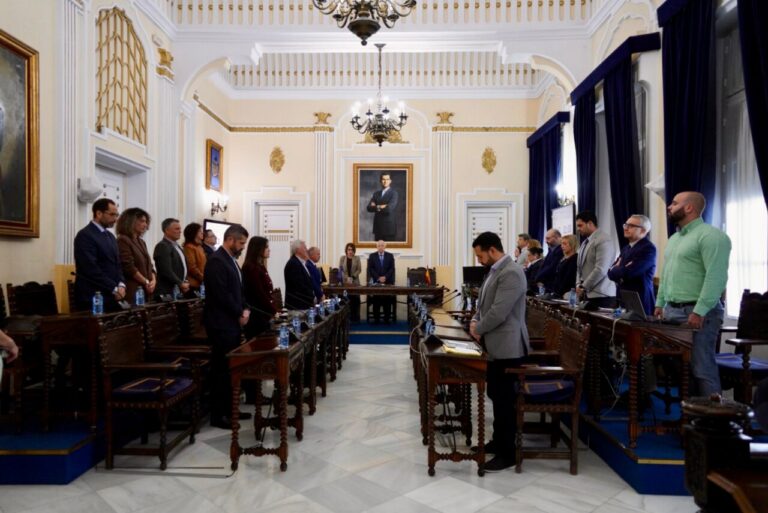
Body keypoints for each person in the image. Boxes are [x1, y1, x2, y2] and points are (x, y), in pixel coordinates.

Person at [654, 192, 731, 396]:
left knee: (702, 367)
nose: (669, 207)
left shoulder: (711, 236)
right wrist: (660, 303)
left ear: (689, 208)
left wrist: (699, 311)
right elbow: (666, 274)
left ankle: (714, 423)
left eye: (674, 203)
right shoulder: (674, 239)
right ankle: (690, 419)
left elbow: (716, 278)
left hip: (699, 312)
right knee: (680, 370)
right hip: (672, 311)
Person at [469, 231, 530, 472]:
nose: (478, 260)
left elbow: (499, 312)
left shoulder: (512, 272)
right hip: (495, 345)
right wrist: (475, 321)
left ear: (492, 250)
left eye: (480, 255)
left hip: (509, 346)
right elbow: (483, 305)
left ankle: (508, 452)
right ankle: (497, 441)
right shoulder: (495, 271)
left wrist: (479, 329)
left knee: (506, 400)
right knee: (496, 394)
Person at [203, 224, 251, 429]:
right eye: (241, 243)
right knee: (221, 370)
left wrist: (246, 308)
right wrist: (238, 313)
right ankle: (219, 415)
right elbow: (221, 294)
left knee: (231, 368)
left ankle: (231, 409)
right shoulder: (216, 261)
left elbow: (239, 291)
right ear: (230, 239)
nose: (242, 247)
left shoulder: (231, 261)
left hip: (232, 322)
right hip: (221, 323)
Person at [73, 198, 126, 312]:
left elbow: (117, 264)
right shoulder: (85, 235)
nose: (115, 219)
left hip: (112, 296)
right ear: (98, 213)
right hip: (93, 296)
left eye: (117, 215)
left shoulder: (111, 236)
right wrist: (113, 288)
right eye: (112, 214)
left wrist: (121, 284)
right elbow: (90, 268)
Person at [608, 215, 657, 315]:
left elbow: (630, 272)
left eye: (631, 226)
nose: (626, 228)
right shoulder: (626, 248)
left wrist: (618, 268)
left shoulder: (648, 248)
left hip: (640, 300)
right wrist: (620, 269)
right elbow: (610, 273)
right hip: (623, 299)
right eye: (626, 225)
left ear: (643, 230)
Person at [575, 210, 617, 308]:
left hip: (602, 294)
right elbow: (579, 267)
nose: (578, 229)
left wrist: (583, 286)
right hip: (587, 293)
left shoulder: (603, 239)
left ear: (590, 223)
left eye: (580, 225)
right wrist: (578, 285)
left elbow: (601, 269)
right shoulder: (585, 242)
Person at [116, 207, 157, 306]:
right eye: (142, 221)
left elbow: (150, 266)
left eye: (146, 222)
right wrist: (146, 281)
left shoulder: (141, 241)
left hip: (147, 290)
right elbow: (128, 267)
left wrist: (154, 280)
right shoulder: (123, 240)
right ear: (130, 221)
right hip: (133, 290)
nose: (145, 225)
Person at [242, 236, 277, 338]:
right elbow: (259, 293)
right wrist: (273, 311)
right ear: (258, 249)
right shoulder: (251, 267)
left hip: (263, 314)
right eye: (266, 247)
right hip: (256, 316)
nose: (269, 250)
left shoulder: (259, 266)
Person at [153, 218, 190, 300]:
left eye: (180, 229)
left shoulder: (178, 246)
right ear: (166, 230)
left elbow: (184, 267)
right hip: (166, 292)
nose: (180, 231)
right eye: (177, 229)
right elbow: (166, 270)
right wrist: (180, 283)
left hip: (178, 290)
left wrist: (185, 281)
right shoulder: (162, 246)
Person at [367, 240, 395, 323]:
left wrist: (385, 277)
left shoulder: (390, 256)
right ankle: (376, 318)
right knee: (377, 298)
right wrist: (378, 278)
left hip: (387, 282)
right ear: (377, 247)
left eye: (382, 245)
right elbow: (370, 269)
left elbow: (392, 268)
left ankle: (387, 318)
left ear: (385, 246)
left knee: (387, 299)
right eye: (379, 245)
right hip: (376, 282)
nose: (380, 247)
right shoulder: (372, 256)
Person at [366, 172, 399, 241]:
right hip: (378, 228)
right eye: (383, 179)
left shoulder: (394, 193)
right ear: (380, 181)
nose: (385, 181)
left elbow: (389, 209)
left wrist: (376, 206)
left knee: (389, 250)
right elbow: (369, 208)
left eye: (387, 179)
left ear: (390, 181)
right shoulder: (376, 194)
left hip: (389, 228)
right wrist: (382, 206)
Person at [284, 239, 316, 310]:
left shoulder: (300, 263)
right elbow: (299, 286)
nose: (306, 250)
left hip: (304, 304)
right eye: (304, 247)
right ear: (298, 250)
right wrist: (312, 297)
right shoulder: (293, 264)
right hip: (297, 306)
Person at [534, 229, 563, 293]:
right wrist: (538, 278)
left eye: (548, 238)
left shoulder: (560, 251)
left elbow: (552, 267)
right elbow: (543, 266)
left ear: (557, 238)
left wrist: (538, 278)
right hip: (545, 285)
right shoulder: (550, 250)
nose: (546, 241)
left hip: (552, 285)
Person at [338, 242, 362, 322]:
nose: (350, 251)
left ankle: (355, 317)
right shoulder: (342, 258)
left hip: (355, 281)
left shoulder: (357, 258)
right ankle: (344, 317)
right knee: (344, 298)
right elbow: (340, 270)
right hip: (345, 282)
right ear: (346, 250)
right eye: (348, 249)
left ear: (354, 251)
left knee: (355, 299)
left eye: (352, 250)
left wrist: (352, 277)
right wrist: (346, 278)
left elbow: (359, 269)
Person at [182, 222, 207, 292]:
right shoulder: (189, 247)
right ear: (193, 233)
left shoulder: (199, 247)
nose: (202, 233)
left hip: (201, 283)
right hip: (193, 285)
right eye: (200, 231)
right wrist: (204, 279)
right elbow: (192, 267)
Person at [553, 234, 578, 298]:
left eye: (564, 244)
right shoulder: (563, 259)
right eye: (561, 244)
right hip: (558, 292)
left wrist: (559, 293)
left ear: (572, 245)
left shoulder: (574, 258)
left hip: (567, 294)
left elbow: (569, 278)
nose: (562, 246)